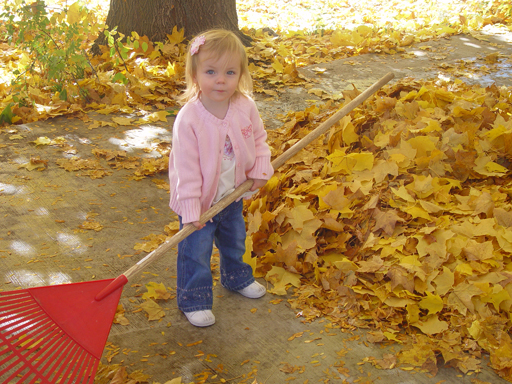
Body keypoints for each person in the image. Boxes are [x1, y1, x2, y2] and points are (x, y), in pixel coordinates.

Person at [168, 29, 274, 327]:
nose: (221, 80)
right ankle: (195, 298)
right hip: (200, 205)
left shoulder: (244, 106)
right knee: (196, 253)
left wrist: (258, 170)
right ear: (195, 73)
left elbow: (259, 139)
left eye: (230, 72)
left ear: (240, 73)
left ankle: (236, 277)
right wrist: (191, 210)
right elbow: (184, 169)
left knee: (235, 242)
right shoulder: (189, 119)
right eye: (211, 71)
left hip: (232, 195)